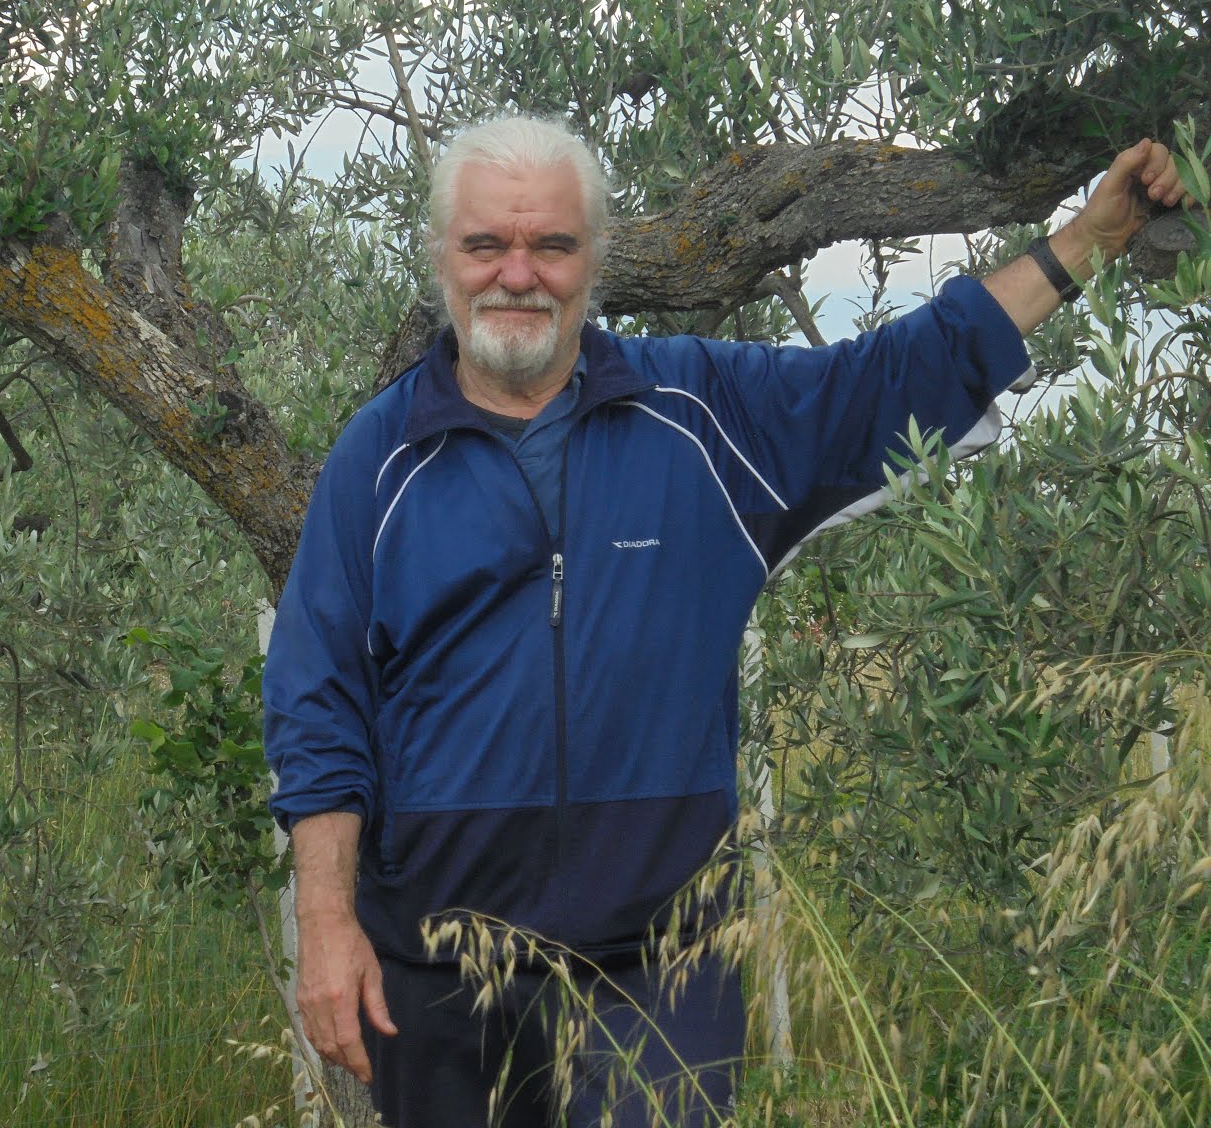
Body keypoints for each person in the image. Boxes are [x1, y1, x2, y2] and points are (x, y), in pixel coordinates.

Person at [262, 115, 1190, 1127]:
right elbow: (318, 701)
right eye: (487, 245)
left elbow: (890, 378)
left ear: (597, 260)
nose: (516, 274)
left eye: (552, 246)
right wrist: (325, 923)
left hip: (663, 980)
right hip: (442, 977)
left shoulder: (703, 414)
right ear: (444, 257)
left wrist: (1088, 239)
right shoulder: (379, 459)